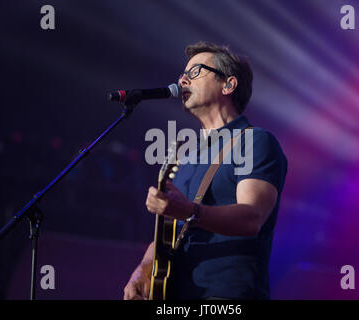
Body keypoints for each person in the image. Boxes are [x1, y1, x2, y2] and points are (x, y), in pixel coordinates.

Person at [123, 41, 287, 300]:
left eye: (196, 71)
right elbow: (169, 232)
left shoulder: (254, 141)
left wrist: (189, 211)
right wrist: (142, 270)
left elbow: (252, 218)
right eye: (183, 73)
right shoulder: (186, 158)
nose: (183, 79)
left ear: (228, 85)